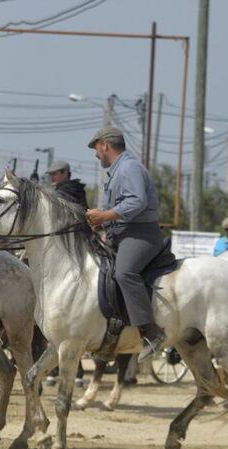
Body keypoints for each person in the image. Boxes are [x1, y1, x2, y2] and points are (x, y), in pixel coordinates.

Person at [85, 126, 165, 361]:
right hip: (123, 233)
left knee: (124, 273)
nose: (96, 155)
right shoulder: (118, 170)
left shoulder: (129, 168)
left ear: (104, 146)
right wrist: (100, 223)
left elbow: (136, 202)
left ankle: (151, 333)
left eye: (96, 149)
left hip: (141, 235)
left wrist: (105, 216)